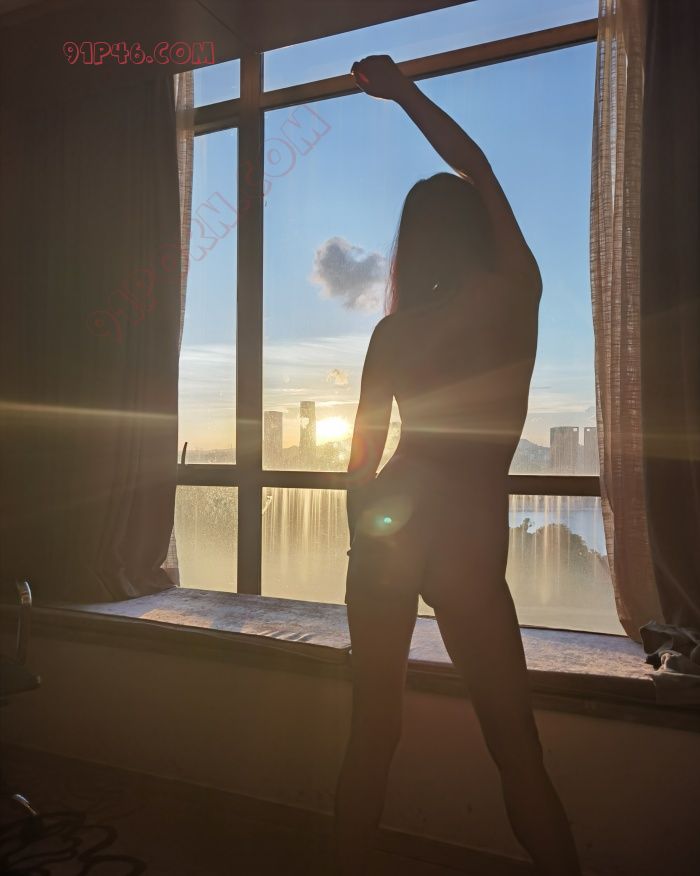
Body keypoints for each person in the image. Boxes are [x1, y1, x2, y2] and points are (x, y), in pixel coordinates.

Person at [333, 55, 583, 876]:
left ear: (414, 245)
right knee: (518, 752)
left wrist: (366, 541)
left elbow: (362, 461)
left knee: (372, 735)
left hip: (390, 527)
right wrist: (405, 91)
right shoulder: (515, 298)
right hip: (469, 540)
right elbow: (478, 166)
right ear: (478, 229)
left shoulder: (393, 334)